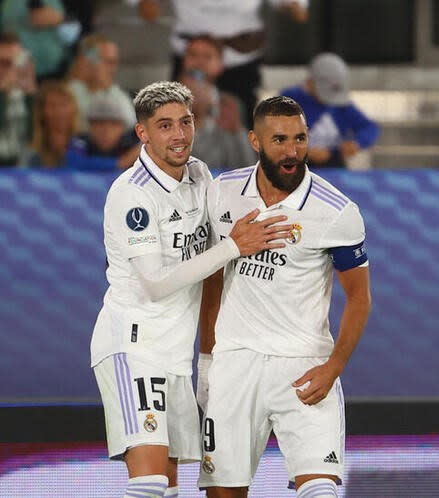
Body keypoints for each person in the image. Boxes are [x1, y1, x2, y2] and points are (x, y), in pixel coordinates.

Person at [89, 81, 293, 498]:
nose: (179, 135)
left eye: (185, 122)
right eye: (164, 126)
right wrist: (235, 245)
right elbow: (155, 284)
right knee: (148, 484)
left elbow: (215, 268)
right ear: (142, 133)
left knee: (168, 489)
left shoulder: (200, 175)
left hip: (176, 356)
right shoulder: (133, 195)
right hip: (133, 345)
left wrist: (207, 357)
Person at [197, 96, 371, 497]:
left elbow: (359, 298)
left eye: (300, 138)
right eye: (279, 140)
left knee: (321, 491)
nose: (292, 152)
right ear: (254, 141)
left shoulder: (337, 211)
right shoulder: (222, 191)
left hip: (304, 366)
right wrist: (207, 361)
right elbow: (212, 282)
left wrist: (335, 366)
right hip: (235, 363)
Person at [128, 0, 309, 128]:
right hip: (192, 56)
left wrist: (292, 6)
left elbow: (299, 11)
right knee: (177, 116)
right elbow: (146, 9)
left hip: (240, 58)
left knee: (241, 120)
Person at [281, 53, 379, 169]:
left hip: (334, 166)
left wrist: (356, 143)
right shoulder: (289, 99)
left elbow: (370, 127)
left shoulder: (341, 105)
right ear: (310, 82)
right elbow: (274, 135)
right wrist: (305, 152)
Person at [178, 70, 256, 169]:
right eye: (186, 92)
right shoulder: (170, 132)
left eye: (198, 90)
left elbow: (249, 166)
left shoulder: (225, 128)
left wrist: (237, 129)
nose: (193, 98)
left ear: (210, 93)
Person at [66, 33, 136, 133]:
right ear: (87, 62)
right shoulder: (69, 92)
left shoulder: (115, 93)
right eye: (108, 62)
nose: (114, 69)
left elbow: (130, 124)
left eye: (115, 62)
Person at [64, 96, 140, 171]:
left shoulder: (132, 145)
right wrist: (121, 163)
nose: (106, 130)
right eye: (100, 123)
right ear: (90, 125)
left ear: (123, 127)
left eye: (113, 124)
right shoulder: (80, 142)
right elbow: (74, 162)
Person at [21, 79, 78, 168]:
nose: (60, 112)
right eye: (53, 106)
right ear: (42, 112)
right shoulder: (31, 153)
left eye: (64, 105)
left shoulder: (84, 145)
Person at [0, 32, 35, 167]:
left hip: (21, 170)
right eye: (5, 63)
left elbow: (32, 138)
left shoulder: (25, 97)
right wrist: (2, 92)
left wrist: (30, 98)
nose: (12, 70)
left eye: (16, 63)